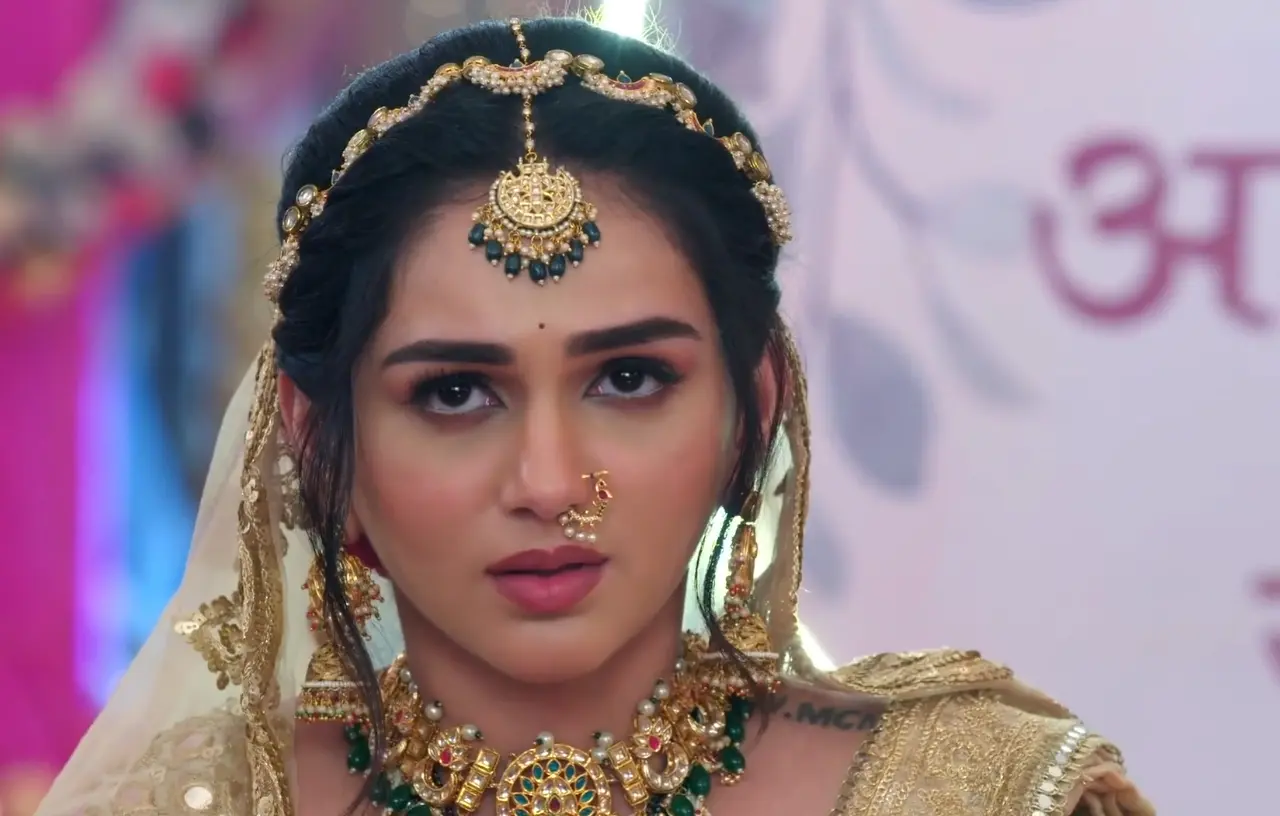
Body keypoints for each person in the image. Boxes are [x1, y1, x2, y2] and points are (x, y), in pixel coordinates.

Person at [36, 17, 1155, 816]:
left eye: (627, 379)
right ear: (318, 437)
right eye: (454, 392)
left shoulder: (975, 793)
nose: (550, 482)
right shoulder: (194, 802)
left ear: (754, 405)